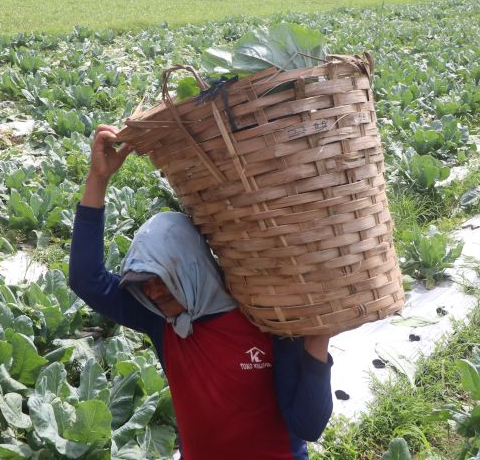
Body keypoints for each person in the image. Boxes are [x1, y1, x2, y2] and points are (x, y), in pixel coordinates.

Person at [69, 125, 334, 460]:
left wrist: (317, 342)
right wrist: (98, 179)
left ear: (191, 268)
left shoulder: (261, 316)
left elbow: (308, 424)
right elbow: (86, 279)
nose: (152, 290)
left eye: (161, 277)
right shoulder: (162, 322)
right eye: (143, 282)